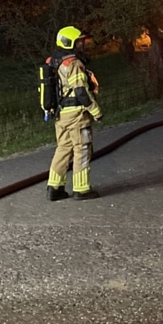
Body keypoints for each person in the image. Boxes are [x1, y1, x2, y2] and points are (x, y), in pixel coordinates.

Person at [46, 26, 103, 202]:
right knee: (82, 149)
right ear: (69, 42)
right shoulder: (74, 64)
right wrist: (96, 111)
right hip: (77, 114)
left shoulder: (53, 62)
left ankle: (54, 188)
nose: (81, 45)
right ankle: (81, 189)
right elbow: (81, 91)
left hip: (61, 114)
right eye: (78, 42)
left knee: (63, 149)